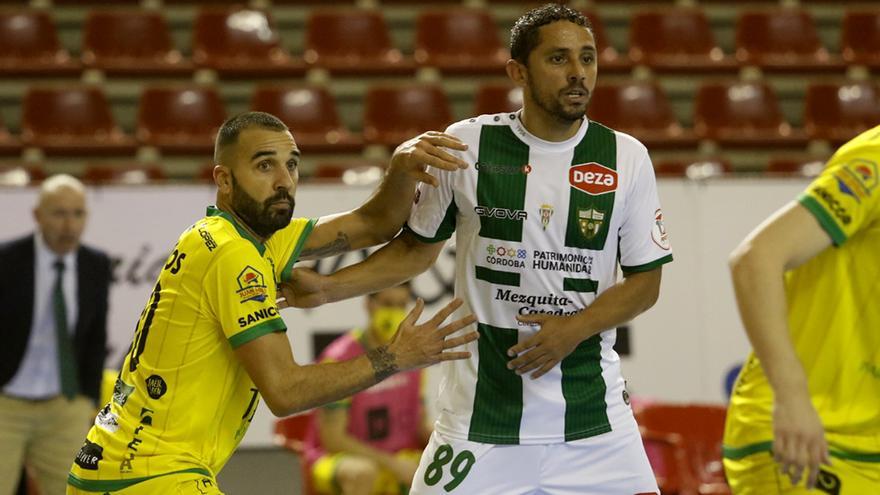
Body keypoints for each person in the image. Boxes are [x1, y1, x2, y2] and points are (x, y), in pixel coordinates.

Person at [282, 5, 672, 493]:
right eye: (558, 59)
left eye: (587, 58)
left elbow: (645, 283)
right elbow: (415, 251)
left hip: (595, 427)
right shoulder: (465, 146)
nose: (578, 74)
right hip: (478, 425)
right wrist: (327, 289)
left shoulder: (627, 157)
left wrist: (573, 330)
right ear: (518, 72)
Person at [66, 111, 478, 494]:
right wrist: (395, 356)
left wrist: (403, 168)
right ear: (224, 180)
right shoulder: (232, 253)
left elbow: (375, 223)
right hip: (150, 474)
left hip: (121, 466)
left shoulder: (251, 238)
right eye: (265, 165)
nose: (284, 180)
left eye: (292, 164)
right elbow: (285, 392)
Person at [723, 125, 880, 494]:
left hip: (867, 446)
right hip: (808, 436)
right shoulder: (875, 157)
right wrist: (791, 396)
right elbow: (756, 259)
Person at [0, 174, 111, 495]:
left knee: (70, 491)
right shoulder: (7, 262)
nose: (69, 224)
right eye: (59, 213)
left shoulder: (96, 264)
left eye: (78, 213)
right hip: (6, 402)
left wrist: (88, 400)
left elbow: (96, 337)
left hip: (65, 405)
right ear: (38, 215)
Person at [304, 284, 431, 495]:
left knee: (447, 467)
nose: (395, 311)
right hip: (338, 458)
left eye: (401, 304)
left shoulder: (413, 358)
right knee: (362, 473)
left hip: (401, 454)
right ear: (369, 304)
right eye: (387, 304)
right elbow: (333, 440)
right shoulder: (338, 360)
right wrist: (391, 463)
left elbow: (420, 424)